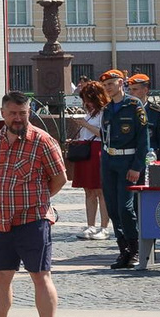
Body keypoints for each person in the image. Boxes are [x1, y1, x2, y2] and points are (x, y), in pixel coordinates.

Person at [0, 90, 67, 317]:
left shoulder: (42, 141)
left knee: (40, 275)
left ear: (29, 113)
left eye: (23, 113)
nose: (18, 118)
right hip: (1, 220)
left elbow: (59, 178)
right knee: (1, 276)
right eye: (13, 113)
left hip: (33, 219)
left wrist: (39, 198)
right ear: (3, 113)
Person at [95, 72, 148, 269]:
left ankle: (134, 249)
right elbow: (104, 136)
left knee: (126, 208)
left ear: (121, 83)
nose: (108, 88)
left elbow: (143, 139)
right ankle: (123, 249)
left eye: (111, 84)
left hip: (128, 161)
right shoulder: (107, 109)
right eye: (105, 85)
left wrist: (137, 166)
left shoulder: (134, 105)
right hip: (110, 162)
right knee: (113, 208)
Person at [70, 78, 109, 239]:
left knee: (101, 191)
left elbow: (103, 134)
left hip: (98, 151)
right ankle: (91, 225)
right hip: (86, 151)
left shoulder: (105, 112)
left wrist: (85, 125)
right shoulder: (90, 113)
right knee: (89, 191)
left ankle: (104, 227)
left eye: (89, 99)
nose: (87, 102)